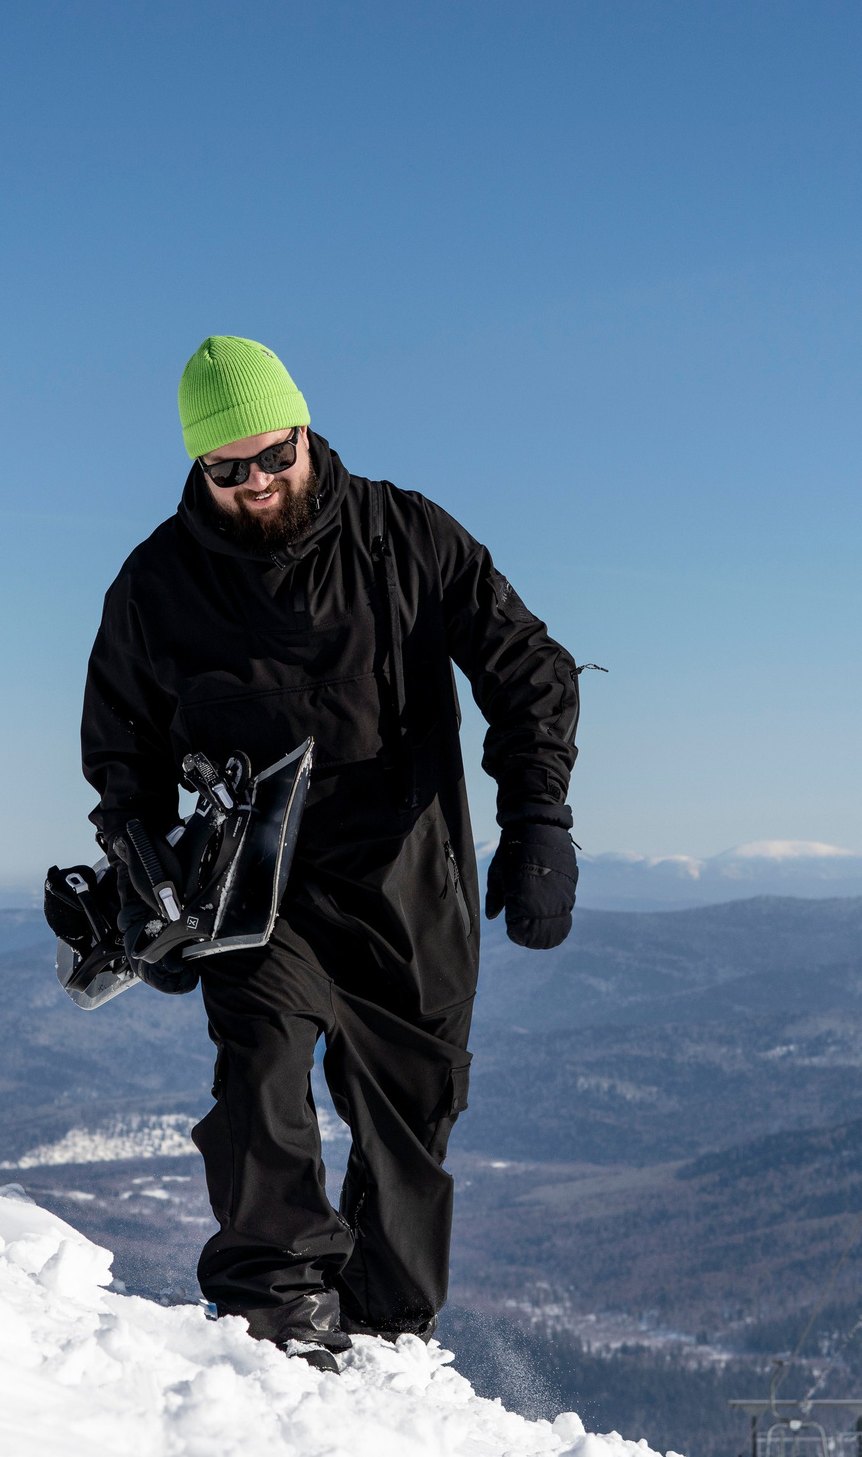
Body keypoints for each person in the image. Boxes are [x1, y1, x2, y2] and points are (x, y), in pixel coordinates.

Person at [79, 335, 583, 1369]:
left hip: (408, 875)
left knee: (413, 1118)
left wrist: (539, 820)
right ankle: (276, 1309)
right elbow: (119, 747)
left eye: (276, 456)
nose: (258, 484)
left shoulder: (406, 537)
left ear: (306, 434)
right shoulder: (156, 584)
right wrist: (143, 871)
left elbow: (526, 667)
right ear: (198, 469)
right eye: (230, 470)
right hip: (254, 888)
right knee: (260, 1065)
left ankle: (390, 1334)